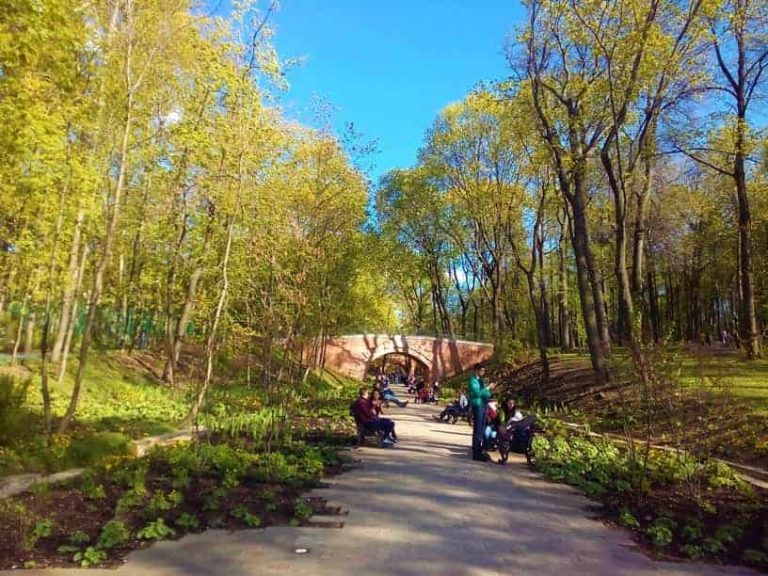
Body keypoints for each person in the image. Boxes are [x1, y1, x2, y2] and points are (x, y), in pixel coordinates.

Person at [468, 363, 495, 462]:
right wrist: (487, 389)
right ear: (476, 370)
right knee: (478, 428)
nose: (483, 372)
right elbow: (477, 393)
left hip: (484, 404)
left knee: (482, 428)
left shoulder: (481, 380)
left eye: (484, 371)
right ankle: (476, 452)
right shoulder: (472, 380)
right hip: (478, 405)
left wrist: (489, 390)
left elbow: (486, 393)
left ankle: (479, 449)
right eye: (482, 370)